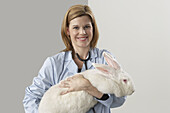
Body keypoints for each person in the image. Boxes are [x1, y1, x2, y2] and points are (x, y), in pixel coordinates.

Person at [23, 4, 126, 113]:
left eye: (87, 26)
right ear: (68, 31)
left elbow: (120, 98)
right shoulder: (54, 63)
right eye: (76, 27)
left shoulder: (104, 58)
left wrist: (89, 88)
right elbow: (31, 98)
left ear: (93, 29)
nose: (83, 32)